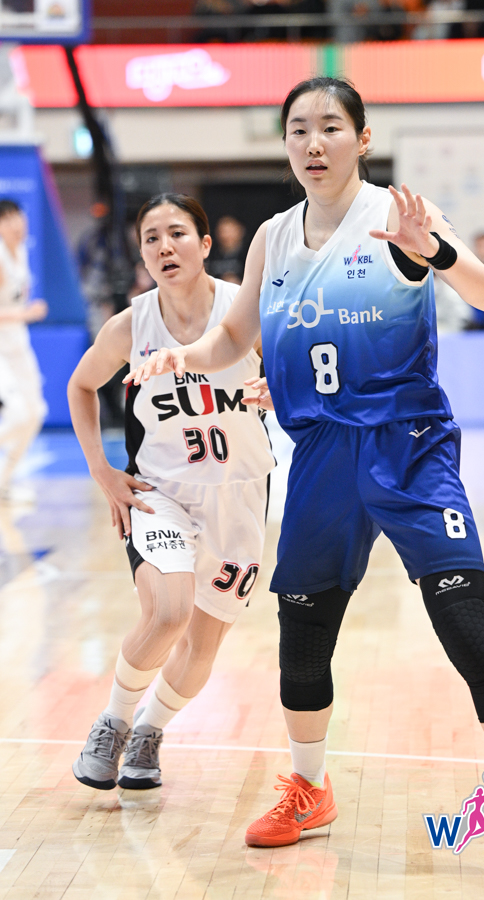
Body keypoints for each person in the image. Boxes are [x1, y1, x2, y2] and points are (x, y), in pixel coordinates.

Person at [126, 79, 484, 889]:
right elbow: (234, 336)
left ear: (362, 138)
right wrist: (181, 357)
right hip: (321, 453)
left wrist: (435, 252)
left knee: (466, 628)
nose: (313, 142)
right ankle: (310, 789)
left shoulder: (399, 214)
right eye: (298, 128)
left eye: (331, 127)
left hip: (409, 447)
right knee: (303, 637)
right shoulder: (272, 237)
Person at [68, 194, 274, 791]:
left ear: (205, 245)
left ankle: (150, 731)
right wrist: (102, 470)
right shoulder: (130, 326)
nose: (165, 246)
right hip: (161, 492)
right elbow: (81, 387)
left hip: (240, 494)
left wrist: (282, 392)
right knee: (167, 612)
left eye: (177, 233)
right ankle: (113, 722)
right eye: (151, 238)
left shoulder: (247, 311)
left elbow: (301, 380)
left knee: (204, 642)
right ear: (142, 255)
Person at [0, 199, 47, 502]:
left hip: (18, 344)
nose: (17, 224)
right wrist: (26, 313)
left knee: (36, 413)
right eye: (8, 219)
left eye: (18, 217)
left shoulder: (22, 252)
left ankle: (3, 482)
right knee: (17, 415)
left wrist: (24, 313)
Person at [207, 215, 248, 285]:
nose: (226, 235)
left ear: (240, 230)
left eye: (230, 231)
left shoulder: (248, 254)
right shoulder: (211, 255)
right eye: (223, 231)